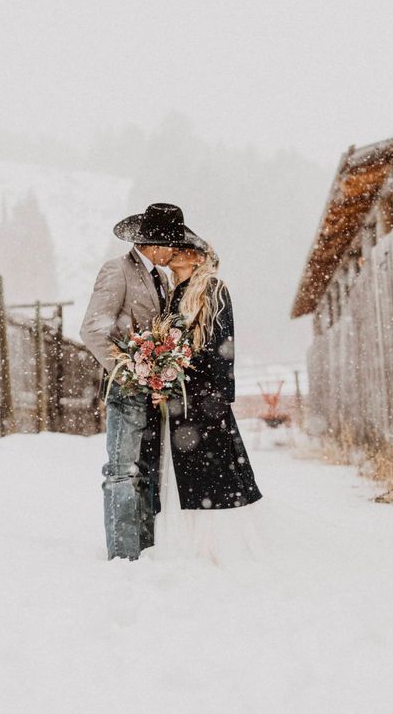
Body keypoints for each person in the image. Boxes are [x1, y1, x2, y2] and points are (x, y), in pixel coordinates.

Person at [79, 202, 205, 561]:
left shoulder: (162, 278)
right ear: (156, 243)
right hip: (125, 391)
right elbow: (93, 329)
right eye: (173, 244)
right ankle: (122, 555)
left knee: (148, 472)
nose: (176, 251)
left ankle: (145, 550)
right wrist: (129, 372)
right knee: (121, 471)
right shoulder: (116, 270)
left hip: (154, 395)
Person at [152, 240, 263, 565]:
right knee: (186, 471)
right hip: (180, 398)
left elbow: (220, 342)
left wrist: (213, 392)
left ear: (198, 258)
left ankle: (215, 548)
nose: (172, 253)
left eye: (181, 250)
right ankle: (189, 543)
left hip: (204, 397)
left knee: (210, 473)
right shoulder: (176, 293)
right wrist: (163, 376)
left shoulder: (213, 289)